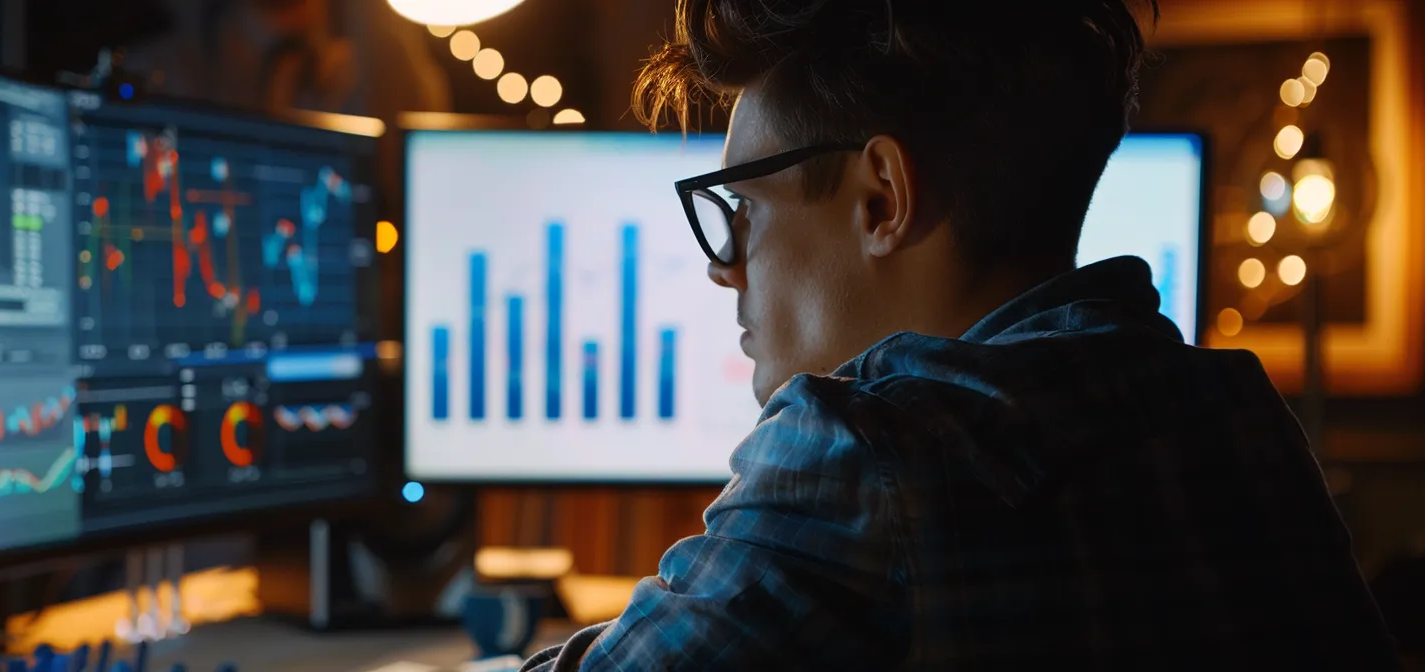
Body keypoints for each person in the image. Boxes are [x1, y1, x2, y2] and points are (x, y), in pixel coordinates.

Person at [522, 0, 1400, 669]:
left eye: (742, 207)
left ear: (882, 200)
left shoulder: (863, 452)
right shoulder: (1236, 417)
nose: (725, 266)